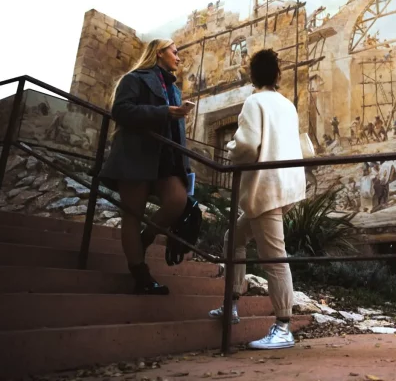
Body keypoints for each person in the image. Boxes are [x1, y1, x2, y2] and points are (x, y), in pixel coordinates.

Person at [207, 49, 306, 350]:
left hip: (266, 188)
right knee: (233, 238)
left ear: (252, 76)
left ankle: (283, 326)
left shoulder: (254, 101)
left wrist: (230, 147)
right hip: (285, 184)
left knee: (274, 258)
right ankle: (232, 303)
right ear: (277, 75)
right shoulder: (287, 105)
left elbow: (248, 146)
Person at [100, 39, 192, 295]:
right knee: (133, 212)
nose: (179, 57)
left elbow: (177, 129)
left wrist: (184, 164)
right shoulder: (135, 78)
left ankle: (145, 238)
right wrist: (164, 112)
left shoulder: (174, 89)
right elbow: (121, 110)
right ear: (160, 52)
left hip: (167, 158)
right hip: (136, 154)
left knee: (177, 200)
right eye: (175, 51)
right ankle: (140, 273)